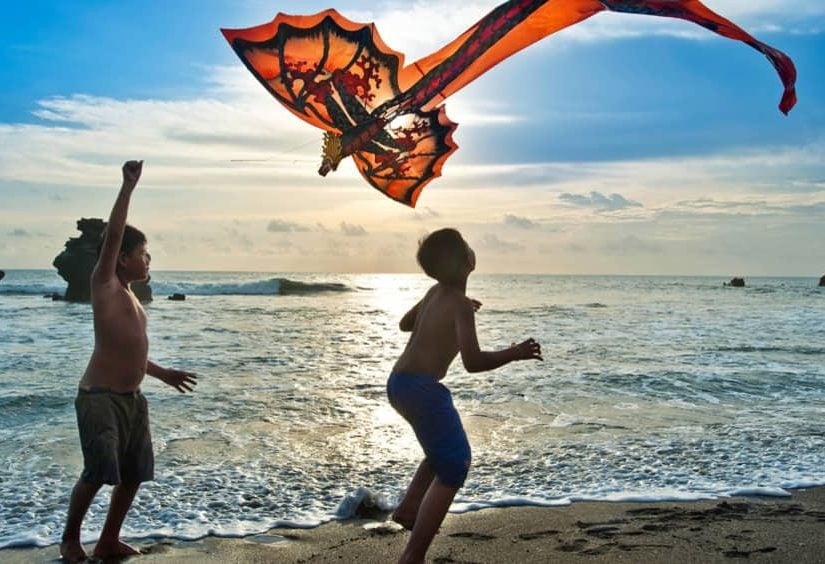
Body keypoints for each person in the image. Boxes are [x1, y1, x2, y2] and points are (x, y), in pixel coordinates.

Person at [60, 160, 197, 563]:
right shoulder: (105, 284)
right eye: (143, 254)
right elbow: (115, 234)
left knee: (134, 474)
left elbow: (132, 352)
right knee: (98, 472)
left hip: (132, 399)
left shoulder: (133, 299)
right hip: (99, 397)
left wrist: (163, 373)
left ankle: (108, 540)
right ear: (120, 259)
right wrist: (127, 188)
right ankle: (70, 539)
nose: (148, 261)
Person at [387, 228, 542, 564]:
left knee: (439, 449)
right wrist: (514, 352)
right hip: (423, 389)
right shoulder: (458, 304)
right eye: (468, 247)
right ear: (465, 262)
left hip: (398, 383)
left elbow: (404, 323)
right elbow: (472, 362)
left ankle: (410, 507)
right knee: (456, 463)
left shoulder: (434, 293)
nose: (473, 249)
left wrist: (446, 310)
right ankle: (412, 556)